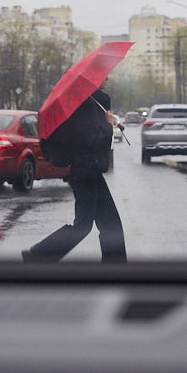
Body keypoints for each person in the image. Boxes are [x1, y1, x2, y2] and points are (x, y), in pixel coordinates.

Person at [24, 86, 125, 263]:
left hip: (89, 170)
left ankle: (116, 266)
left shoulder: (90, 102)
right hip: (84, 170)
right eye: (104, 75)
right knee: (83, 225)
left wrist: (107, 124)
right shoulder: (84, 104)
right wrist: (108, 126)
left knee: (110, 224)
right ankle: (39, 255)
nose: (107, 78)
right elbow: (91, 139)